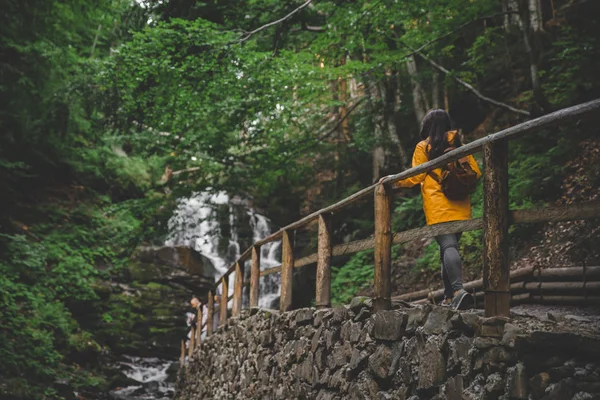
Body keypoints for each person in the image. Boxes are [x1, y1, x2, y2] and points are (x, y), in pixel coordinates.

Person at [381, 109, 481, 310]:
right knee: (448, 248)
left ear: (427, 126)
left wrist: (393, 182)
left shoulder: (423, 147)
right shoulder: (459, 144)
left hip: (438, 205)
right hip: (460, 204)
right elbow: (476, 172)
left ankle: (459, 291)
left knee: (447, 246)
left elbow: (415, 176)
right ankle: (449, 297)